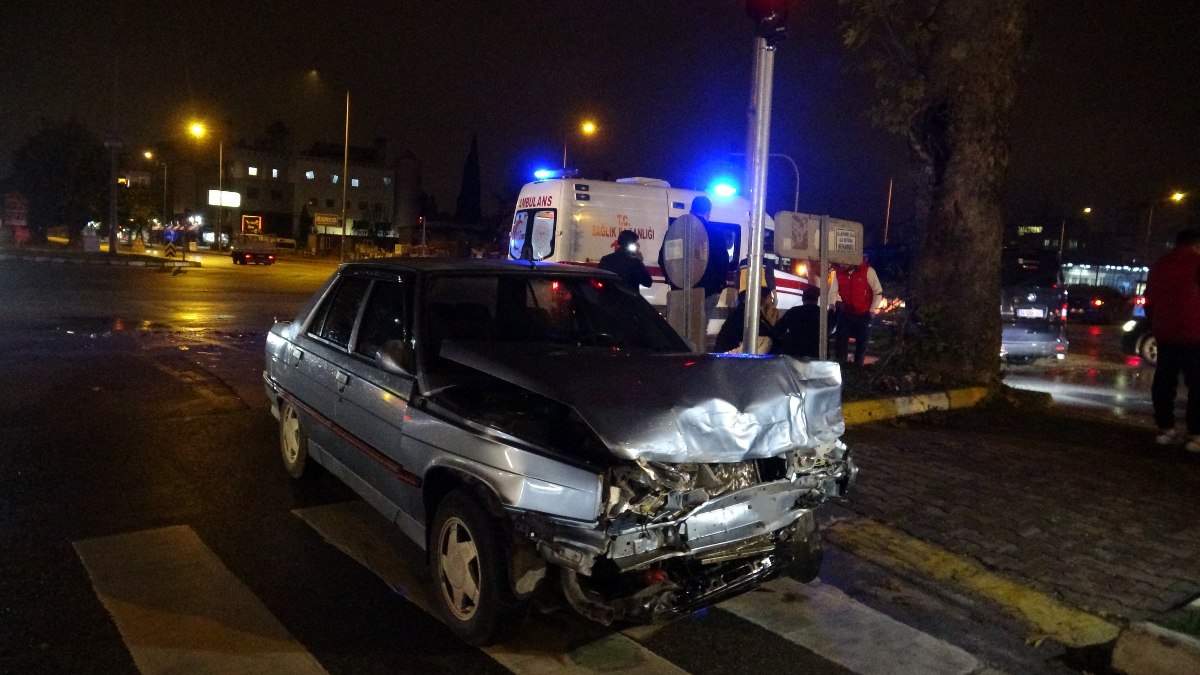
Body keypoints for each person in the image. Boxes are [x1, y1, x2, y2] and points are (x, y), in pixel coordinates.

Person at [1144, 227, 1200, 452]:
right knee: (1197, 385)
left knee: (1164, 382)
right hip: (1196, 334)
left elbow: (1149, 300)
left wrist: (1157, 323)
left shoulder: (1159, 264)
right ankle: (1196, 435)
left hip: (1165, 333)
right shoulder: (1197, 263)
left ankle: (1165, 430)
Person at [659, 196, 730, 326]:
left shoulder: (675, 231)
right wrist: (718, 285)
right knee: (702, 331)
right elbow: (723, 263)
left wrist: (672, 281)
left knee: (680, 330)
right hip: (707, 292)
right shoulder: (716, 234)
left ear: (691, 211)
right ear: (708, 213)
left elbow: (663, 259)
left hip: (680, 290)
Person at [831, 258, 883, 366]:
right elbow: (833, 290)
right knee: (840, 341)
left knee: (862, 343)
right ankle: (841, 366)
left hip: (864, 313)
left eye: (844, 262)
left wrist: (872, 310)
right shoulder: (839, 273)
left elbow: (877, 291)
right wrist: (832, 304)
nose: (842, 264)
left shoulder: (868, 271)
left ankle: (857, 367)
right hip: (847, 311)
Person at [714, 285, 777, 353]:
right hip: (730, 350)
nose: (772, 300)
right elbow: (762, 332)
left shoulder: (749, 310)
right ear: (763, 299)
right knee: (766, 341)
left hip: (733, 348)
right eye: (770, 297)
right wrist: (771, 320)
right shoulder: (746, 312)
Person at [772, 285, 830, 359]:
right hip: (818, 354)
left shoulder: (793, 311)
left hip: (795, 354)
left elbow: (778, 331)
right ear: (817, 299)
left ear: (803, 299)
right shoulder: (823, 314)